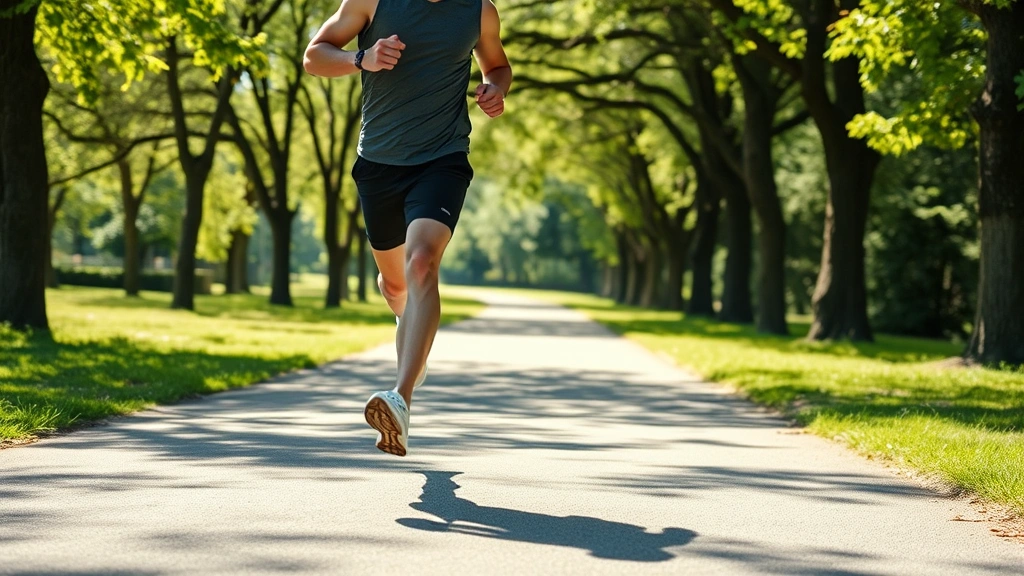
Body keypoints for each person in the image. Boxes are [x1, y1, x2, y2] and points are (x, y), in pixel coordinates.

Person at [303, 0, 512, 456]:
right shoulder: (371, 2)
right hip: (379, 162)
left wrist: (494, 88)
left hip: (443, 158)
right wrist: (362, 58)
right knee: (395, 284)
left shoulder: (479, 12)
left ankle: (401, 400)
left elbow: (497, 65)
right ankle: (412, 331)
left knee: (421, 264)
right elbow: (314, 55)